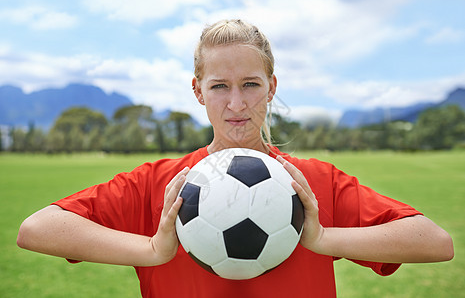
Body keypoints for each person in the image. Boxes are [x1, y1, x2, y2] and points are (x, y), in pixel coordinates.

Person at [17, 19, 454, 298]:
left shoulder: (311, 183)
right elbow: (37, 229)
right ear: (197, 90)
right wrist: (151, 249)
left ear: (272, 86)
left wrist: (324, 239)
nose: (236, 103)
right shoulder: (162, 183)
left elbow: (436, 243)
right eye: (219, 86)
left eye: (250, 84)